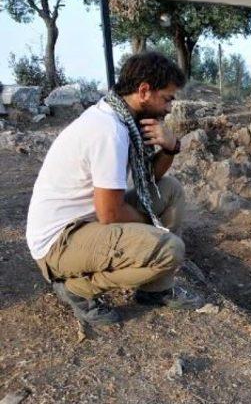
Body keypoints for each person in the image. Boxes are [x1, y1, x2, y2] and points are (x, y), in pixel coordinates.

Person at [26, 52, 203, 326]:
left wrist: (171, 148)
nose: (169, 108)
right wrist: (152, 226)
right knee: (170, 249)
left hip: (86, 223)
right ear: (144, 90)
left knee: (170, 190)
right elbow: (110, 213)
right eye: (167, 98)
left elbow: (151, 180)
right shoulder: (108, 131)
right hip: (59, 244)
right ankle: (76, 290)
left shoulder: (121, 119)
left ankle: (154, 291)